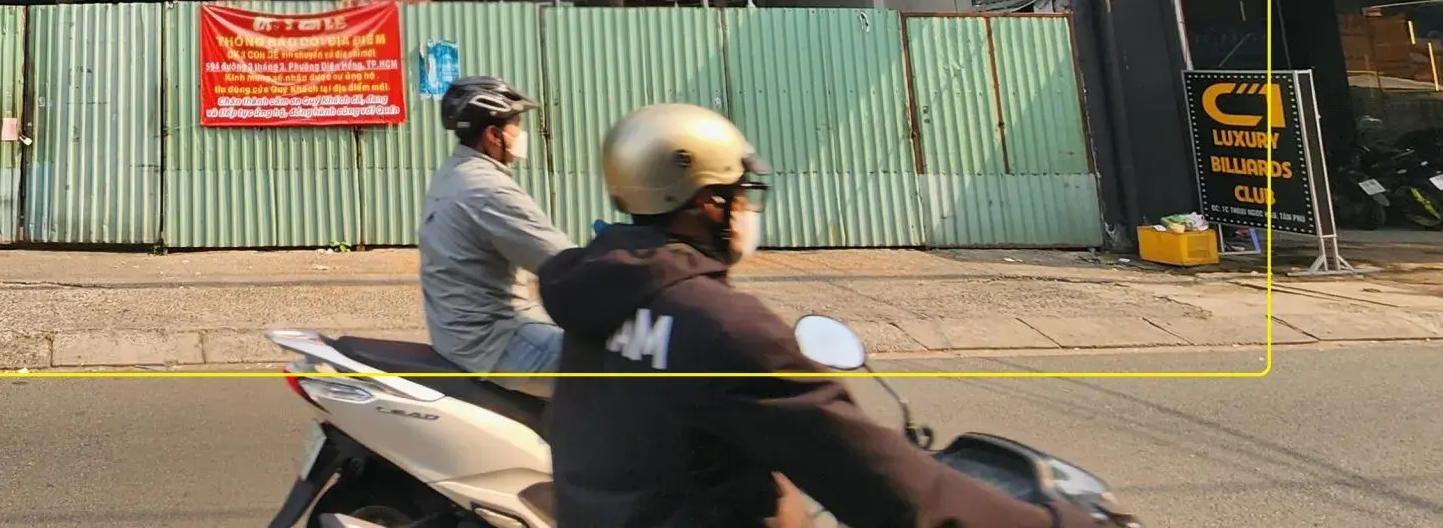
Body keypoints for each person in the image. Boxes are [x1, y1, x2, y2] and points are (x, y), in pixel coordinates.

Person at [536, 103, 1095, 528]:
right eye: (741, 192)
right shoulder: (722, 327)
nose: (748, 208)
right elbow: (887, 488)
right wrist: (1055, 522)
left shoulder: (595, 298)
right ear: (706, 201)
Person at [417, 76, 573, 399]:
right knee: (621, 372)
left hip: (459, 336)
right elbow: (562, 261)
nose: (521, 135)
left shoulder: (453, 172)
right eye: (516, 125)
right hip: (496, 343)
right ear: (492, 134)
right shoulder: (489, 190)